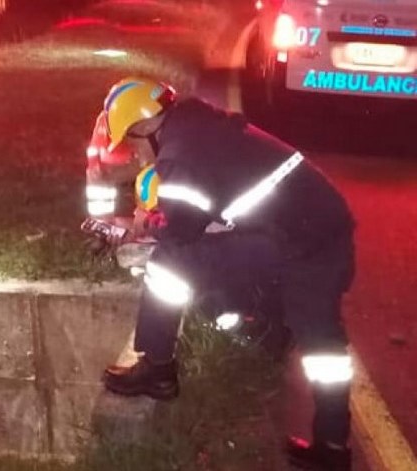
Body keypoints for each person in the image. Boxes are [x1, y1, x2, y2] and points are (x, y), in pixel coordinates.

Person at [98, 77, 355, 470]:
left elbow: (181, 230)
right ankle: (332, 447)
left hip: (300, 245)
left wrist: (146, 224)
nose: (134, 154)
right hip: (317, 229)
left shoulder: (181, 154)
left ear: (144, 127)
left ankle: (158, 368)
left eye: (131, 142)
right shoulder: (200, 123)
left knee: (170, 262)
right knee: (323, 349)